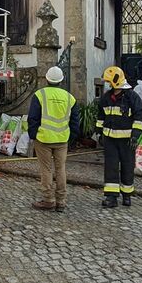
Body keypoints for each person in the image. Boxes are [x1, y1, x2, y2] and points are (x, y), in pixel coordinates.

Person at [27, 66, 81, 212]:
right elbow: (75, 122)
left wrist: (33, 135)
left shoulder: (40, 95)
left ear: (46, 79)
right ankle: (61, 201)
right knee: (60, 169)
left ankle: (48, 200)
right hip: (62, 139)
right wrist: (71, 139)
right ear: (61, 80)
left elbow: (32, 118)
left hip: (43, 139)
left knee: (46, 170)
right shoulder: (70, 98)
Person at [96, 66, 142, 208]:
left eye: (109, 82)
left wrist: (135, 136)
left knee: (127, 167)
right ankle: (111, 197)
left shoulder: (132, 97)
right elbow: (101, 117)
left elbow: (139, 116)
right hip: (110, 139)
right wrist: (99, 133)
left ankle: (127, 195)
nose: (108, 85)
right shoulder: (106, 98)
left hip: (127, 140)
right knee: (110, 168)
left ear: (116, 81)